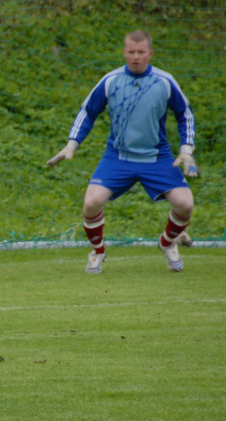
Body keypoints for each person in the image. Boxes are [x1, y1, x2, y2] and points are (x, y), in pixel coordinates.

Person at [47, 30, 198, 273]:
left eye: (141, 52)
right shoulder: (110, 80)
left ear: (150, 53)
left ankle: (167, 242)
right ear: (124, 53)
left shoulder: (165, 81)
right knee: (91, 203)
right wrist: (71, 145)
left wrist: (186, 150)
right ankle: (98, 251)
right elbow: (88, 111)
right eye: (131, 52)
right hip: (118, 157)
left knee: (185, 204)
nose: (136, 57)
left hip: (157, 157)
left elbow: (185, 114)